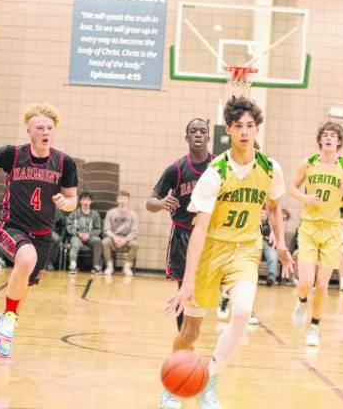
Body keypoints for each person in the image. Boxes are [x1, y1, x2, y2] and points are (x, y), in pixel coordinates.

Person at [161, 97, 293, 409]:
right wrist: (189, 281)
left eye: (250, 125)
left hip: (245, 249)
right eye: (238, 126)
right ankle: (172, 385)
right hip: (211, 250)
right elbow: (200, 230)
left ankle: (210, 380)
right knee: (190, 332)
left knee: (243, 312)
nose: (244, 132)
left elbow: (274, 208)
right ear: (229, 131)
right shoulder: (215, 172)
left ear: (257, 128)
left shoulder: (271, 168)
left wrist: (281, 242)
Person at [0, 102, 77, 358]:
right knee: (26, 258)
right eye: (40, 127)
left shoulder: (64, 162)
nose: (46, 132)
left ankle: (8, 323)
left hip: (42, 234)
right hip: (11, 226)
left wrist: (67, 203)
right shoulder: (11, 154)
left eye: (50, 128)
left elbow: (73, 199)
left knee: (26, 283)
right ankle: (8, 318)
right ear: (28, 130)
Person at [289, 121, 343, 346]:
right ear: (320, 140)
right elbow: (292, 187)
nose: (329, 138)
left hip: (332, 229)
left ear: (339, 141)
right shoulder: (308, 163)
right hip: (309, 227)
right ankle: (301, 302)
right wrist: (303, 198)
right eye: (325, 135)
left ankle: (314, 326)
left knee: (322, 285)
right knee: (306, 282)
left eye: (333, 135)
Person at [146, 117, 212, 330]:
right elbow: (150, 202)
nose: (198, 134)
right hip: (183, 235)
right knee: (184, 288)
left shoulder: (219, 166)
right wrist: (163, 202)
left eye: (202, 131)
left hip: (211, 235)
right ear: (187, 137)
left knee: (213, 285)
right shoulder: (176, 169)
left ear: (209, 136)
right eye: (194, 131)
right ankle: (183, 337)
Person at [102, 190, 139, 276]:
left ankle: (127, 267)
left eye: (125, 199)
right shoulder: (110, 213)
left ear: (128, 200)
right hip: (114, 239)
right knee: (105, 242)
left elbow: (134, 232)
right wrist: (115, 238)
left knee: (135, 244)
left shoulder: (133, 214)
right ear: (117, 200)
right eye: (120, 198)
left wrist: (125, 240)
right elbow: (107, 229)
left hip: (127, 240)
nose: (122, 201)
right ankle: (109, 267)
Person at [67, 191, 103, 274]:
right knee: (75, 243)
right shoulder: (74, 214)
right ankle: (73, 266)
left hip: (90, 237)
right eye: (84, 199)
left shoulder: (95, 215)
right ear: (80, 201)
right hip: (77, 236)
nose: (86, 202)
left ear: (91, 202)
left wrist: (89, 235)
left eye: (88, 200)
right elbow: (69, 226)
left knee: (98, 241)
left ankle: (96, 266)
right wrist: (78, 233)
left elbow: (98, 229)